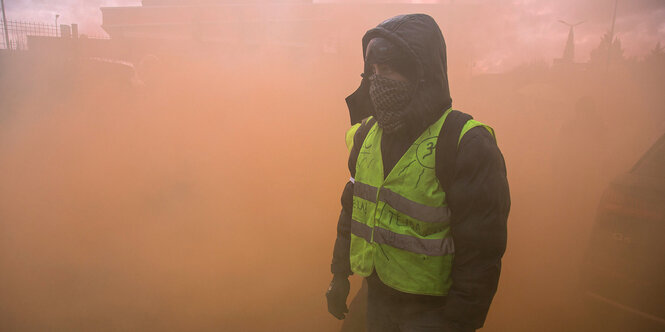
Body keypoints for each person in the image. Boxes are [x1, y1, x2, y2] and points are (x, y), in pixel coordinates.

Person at [326, 14, 510, 332]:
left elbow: (481, 252)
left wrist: (457, 322)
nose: (378, 80)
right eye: (373, 71)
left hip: (432, 313)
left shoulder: (465, 143)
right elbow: (353, 209)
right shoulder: (366, 135)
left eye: (390, 70)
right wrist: (340, 274)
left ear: (420, 75)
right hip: (374, 297)